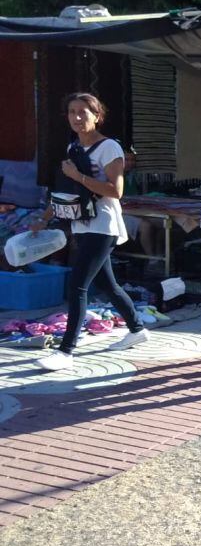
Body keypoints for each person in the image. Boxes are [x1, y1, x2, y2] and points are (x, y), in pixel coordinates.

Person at [34, 93, 150, 371]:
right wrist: (44, 219)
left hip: (103, 225)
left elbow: (116, 191)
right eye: (72, 112)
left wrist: (79, 176)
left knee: (77, 285)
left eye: (83, 112)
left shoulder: (109, 148)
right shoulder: (73, 147)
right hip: (81, 224)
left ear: (97, 116)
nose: (76, 117)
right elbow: (66, 191)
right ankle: (137, 328)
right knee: (107, 284)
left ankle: (66, 350)